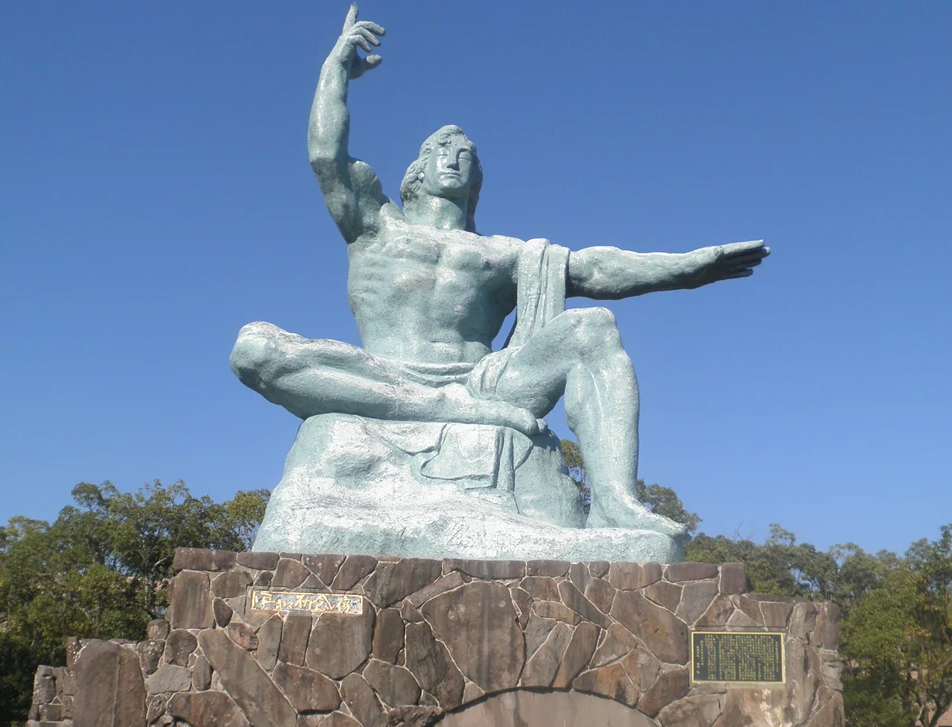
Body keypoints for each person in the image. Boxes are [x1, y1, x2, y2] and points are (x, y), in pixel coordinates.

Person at [230, 5, 767, 538]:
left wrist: (686, 267)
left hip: (484, 384)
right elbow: (326, 156)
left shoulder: (503, 254)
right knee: (254, 348)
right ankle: (437, 408)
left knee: (592, 328)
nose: (453, 157)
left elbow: (595, 268)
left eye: (465, 153)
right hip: (384, 375)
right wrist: (335, 70)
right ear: (415, 171)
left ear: (476, 180)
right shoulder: (376, 225)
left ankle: (617, 504)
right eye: (439, 149)